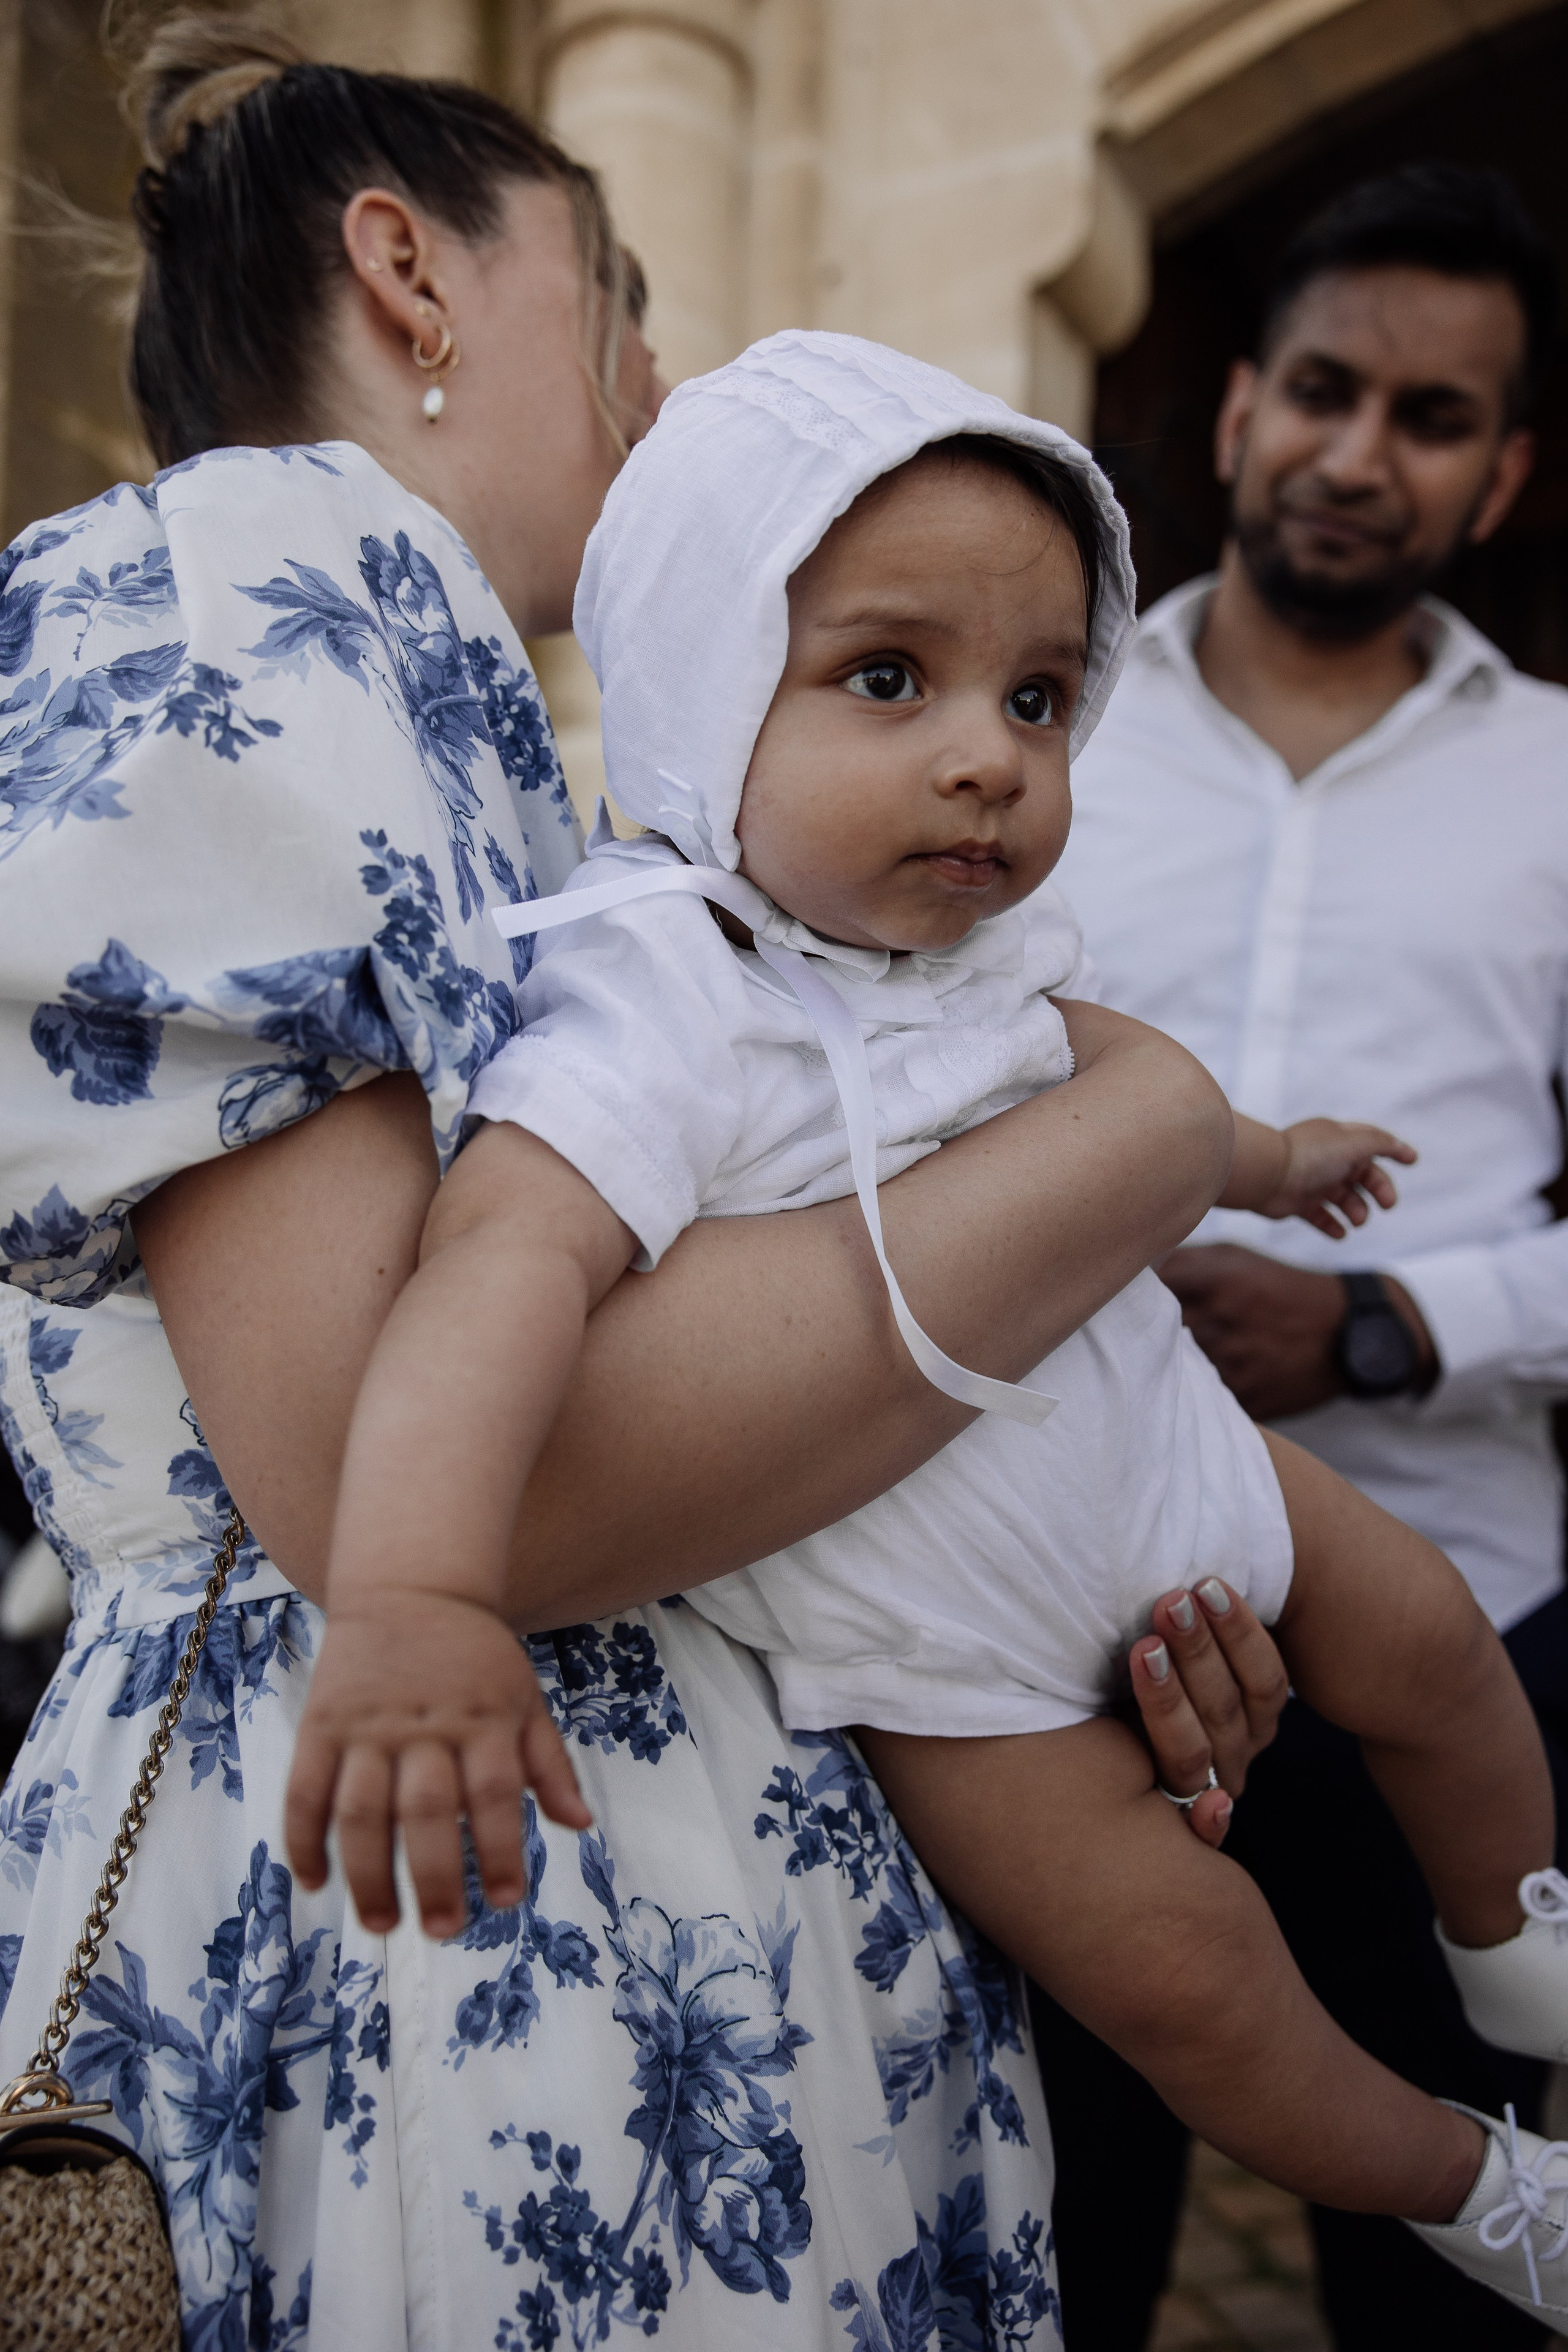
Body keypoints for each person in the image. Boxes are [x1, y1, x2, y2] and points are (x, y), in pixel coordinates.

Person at [0, 17, 1278, 2345]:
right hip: (437, 1943)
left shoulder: (484, 740)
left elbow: (734, 1390)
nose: (666, 380)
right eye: (620, 301)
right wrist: (1150, 1135)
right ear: (412, 277)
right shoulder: (262, 570)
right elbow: (400, 1469)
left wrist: (1096, 1575)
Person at [291, 327, 1568, 2328]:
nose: (991, 752)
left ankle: (1521, 1944)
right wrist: (420, 1597)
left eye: (1043, 699)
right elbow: (501, 1270)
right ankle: (1479, 2189)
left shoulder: (993, 952)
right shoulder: (656, 996)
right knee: (1188, 1987)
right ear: (715, 697)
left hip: (1178, 1463)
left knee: (1430, 1643)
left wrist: (1268, 1151)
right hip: (948, 1664)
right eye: (891, 680)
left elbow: (1100, 1082)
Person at [1051, 162, 1568, 2349]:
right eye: (1329, 392)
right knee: (1046, 2243)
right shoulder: (1036, 729)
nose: (1366, 454)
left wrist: (1386, 1322)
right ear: (1242, 409)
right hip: (1047, 1634)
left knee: (1448, 2259)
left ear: (1503, 472)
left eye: (1432, 418)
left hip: (1463, 1633)